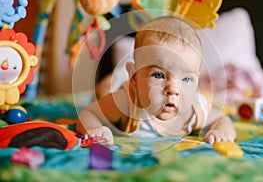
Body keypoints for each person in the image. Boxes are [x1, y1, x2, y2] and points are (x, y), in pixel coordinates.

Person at [78, 16, 236, 144]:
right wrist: (94, 128)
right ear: (134, 77)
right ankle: (114, 78)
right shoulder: (125, 103)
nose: (173, 89)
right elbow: (88, 113)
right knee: (105, 90)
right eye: (158, 75)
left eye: (186, 78)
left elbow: (222, 119)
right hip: (124, 87)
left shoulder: (194, 110)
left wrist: (222, 132)